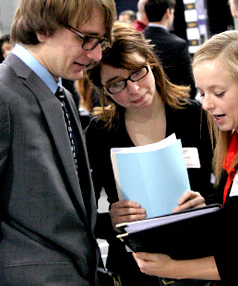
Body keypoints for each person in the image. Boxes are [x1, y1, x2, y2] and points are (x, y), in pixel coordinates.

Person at [133, 29, 238, 286]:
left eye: (218, 93)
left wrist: (175, 269)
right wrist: (207, 211)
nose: (207, 104)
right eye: (203, 93)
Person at [0, 0, 115, 285]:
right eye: (86, 39)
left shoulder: (59, 92)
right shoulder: (3, 92)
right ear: (43, 27)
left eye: (100, 41)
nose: (96, 55)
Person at [83, 22, 214, 286]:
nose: (134, 90)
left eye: (137, 73)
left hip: (195, 263)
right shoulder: (100, 133)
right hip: (134, 269)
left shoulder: (195, 117)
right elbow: (81, 212)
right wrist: (112, 221)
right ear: (103, 90)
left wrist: (205, 203)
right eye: (116, 84)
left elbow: (227, 191)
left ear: (151, 65)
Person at [143, 0, 196, 98]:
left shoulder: (138, 41)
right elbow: (189, 85)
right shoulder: (178, 44)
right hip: (174, 103)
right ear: (168, 12)